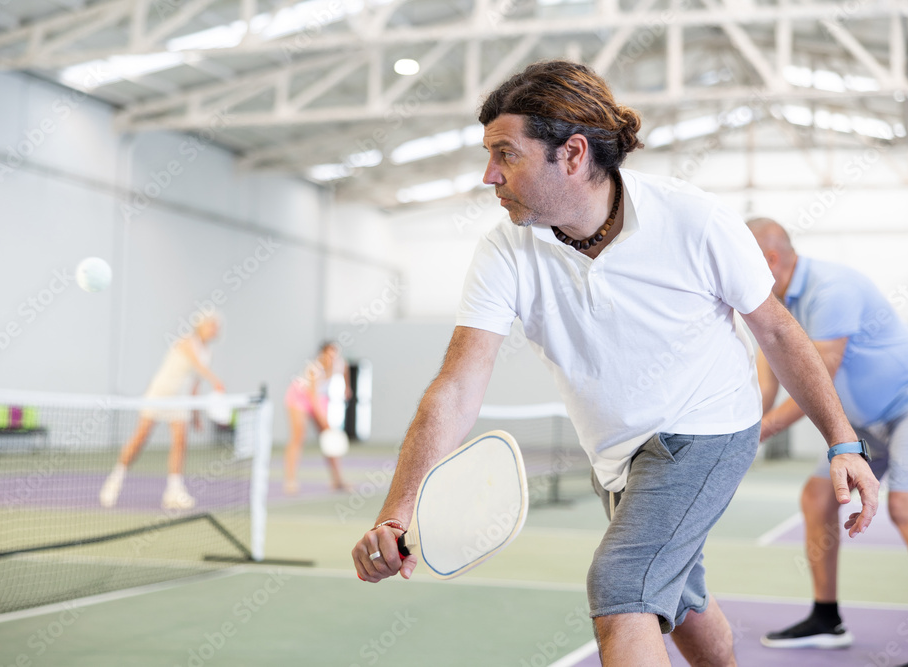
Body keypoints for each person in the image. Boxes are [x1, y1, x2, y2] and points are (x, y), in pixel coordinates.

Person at [351, 60, 879, 667]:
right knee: (683, 605)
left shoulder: (694, 219)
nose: (488, 174)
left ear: (572, 154)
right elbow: (456, 388)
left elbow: (780, 334)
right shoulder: (506, 249)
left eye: (506, 153)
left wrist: (843, 444)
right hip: (617, 456)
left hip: (706, 430)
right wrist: (395, 513)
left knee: (621, 587)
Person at [749, 218, 908, 666]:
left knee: (906, 507)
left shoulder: (832, 289)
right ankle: (826, 619)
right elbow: (768, 383)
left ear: (771, 260)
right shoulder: (775, 303)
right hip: (866, 424)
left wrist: (761, 433)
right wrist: (745, 427)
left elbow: (819, 379)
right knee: (817, 499)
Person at [99, 314, 225, 510]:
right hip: (159, 394)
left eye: (216, 326)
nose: (215, 329)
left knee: (180, 442)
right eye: (212, 325)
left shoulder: (208, 354)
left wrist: (196, 416)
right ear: (200, 326)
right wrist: (216, 381)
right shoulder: (186, 342)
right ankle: (114, 481)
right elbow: (196, 365)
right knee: (140, 439)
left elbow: (195, 384)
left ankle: (174, 491)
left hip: (180, 401)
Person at [282, 341, 351, 495]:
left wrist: (348, 387)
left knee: (329, 440)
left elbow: (345, 371)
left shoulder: (340, 364)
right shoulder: (314, 370)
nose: (332, 357)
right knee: (298, 436)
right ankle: (290, 480)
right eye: (329, 354)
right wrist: (325, 423)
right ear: (322, 354)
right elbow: (313, 400)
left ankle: (338, 481)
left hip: (320, 398)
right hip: (299, 398)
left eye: (335, 354)